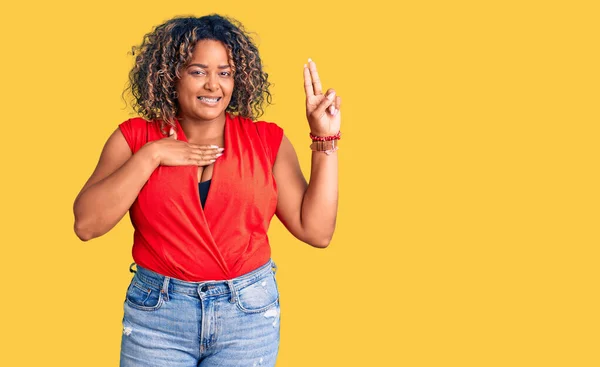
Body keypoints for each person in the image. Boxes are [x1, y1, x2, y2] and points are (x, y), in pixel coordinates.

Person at [73, 14, 341, 367]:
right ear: (171, 74)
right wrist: (152, 155)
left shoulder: (266, 141)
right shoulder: (135, 137)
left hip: (247, 315)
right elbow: (87, 225)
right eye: (198, 71)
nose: (213, 85)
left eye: (224, 72)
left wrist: (325, 138)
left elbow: (317, 231)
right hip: (158, 316)